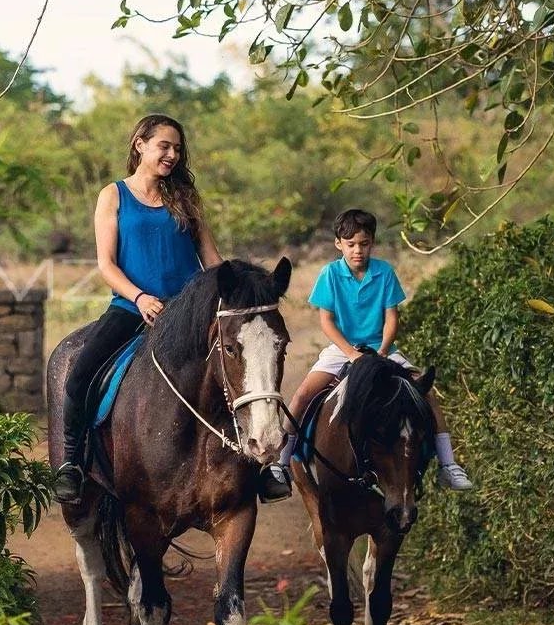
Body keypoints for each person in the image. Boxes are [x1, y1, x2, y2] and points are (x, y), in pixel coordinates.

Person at [52, 114, 222, 504]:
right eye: (164, 145)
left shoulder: (186, 199)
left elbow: (211, 259)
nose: (173, 155)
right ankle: (73, 465)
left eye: (178, 148)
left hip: (189, 313)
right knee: (78, 376)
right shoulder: (113, 195)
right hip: (132, 308)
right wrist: (140, 297)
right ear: (139, 144)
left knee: (239, 372)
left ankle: (259, 465)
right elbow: (106, 265)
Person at [261, 208, 473, 500]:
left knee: (426, 394)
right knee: (302, 396)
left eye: (363, 244)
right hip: (342, 350)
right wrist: (351, 354)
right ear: (339, 244)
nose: (357, 250)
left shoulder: (384, 272)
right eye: (351, 245)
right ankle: (281, 466)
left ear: (372, 242)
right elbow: (326, 321)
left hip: (384, 350)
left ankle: (449, 465)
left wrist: (382, 352)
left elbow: (392, 319)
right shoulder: (330, 274)